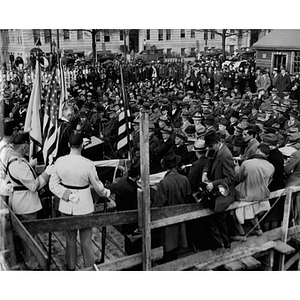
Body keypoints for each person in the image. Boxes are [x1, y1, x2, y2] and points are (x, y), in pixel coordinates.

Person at [49, 131, 111, 270]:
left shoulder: (60, 161)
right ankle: (88, 268)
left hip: (66, 204)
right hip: (84, 205)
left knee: (70, 240)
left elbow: (53, 185)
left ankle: (70, 267)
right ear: (82, 145)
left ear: (68, 145)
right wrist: (106, 192)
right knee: (86, 240)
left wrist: (66, 194)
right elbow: (97, 185)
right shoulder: (87, 164)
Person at [6, 132, 53, 269]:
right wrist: (47, 173)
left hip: (21, 203)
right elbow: (33, 186)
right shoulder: (19, 164)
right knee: (30, 240)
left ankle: (30, 262)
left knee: (27, 239)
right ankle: (32, 266)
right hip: (26, 206)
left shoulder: (14, 159)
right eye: (27, 145)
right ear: (24, 147)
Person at [152, 151, 191, 262]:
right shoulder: (184, 179)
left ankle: (168, 260)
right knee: (179, 237)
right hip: (181, 214)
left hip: (168, 216)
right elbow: (189, 197)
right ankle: (175, 257)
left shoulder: (164, 182)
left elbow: (158, 204)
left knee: (168, 239)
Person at [201, 130, 236, 249]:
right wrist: (205, 173)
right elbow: (209, 161)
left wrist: (214, 184)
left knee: (218, 216)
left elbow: (231, 178)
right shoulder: (214, 149)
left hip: (224, 190)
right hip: (215, 186)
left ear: (218, 143)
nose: (209, 148)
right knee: (210, 214)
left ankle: (226, 243)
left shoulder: (226, 155)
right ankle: (218, 242)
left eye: (211, 146)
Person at [235, 143, 275, 236]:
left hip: (246, 195)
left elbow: (238, 179)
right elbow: (270, 181)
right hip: (262, 195)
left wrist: (237, 168)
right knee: (253, 210)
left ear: (257, 151)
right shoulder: (271, 166)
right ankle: (257, 229)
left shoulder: (247, 163)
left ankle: (240, 233)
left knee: (231, 210)